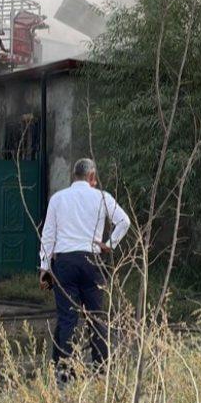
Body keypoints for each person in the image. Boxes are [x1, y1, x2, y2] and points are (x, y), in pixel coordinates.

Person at [39, 158, 130, 381]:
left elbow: (48, 235)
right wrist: (109, 244)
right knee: (97, 318)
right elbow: (124, 221)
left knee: (67, 318)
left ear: (74, 176)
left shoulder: (58, 199)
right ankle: (101, 370)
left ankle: (63, 372)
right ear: (91, 177)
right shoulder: (102, 197)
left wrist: (44, 267)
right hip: (92, 261)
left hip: (65, 263)